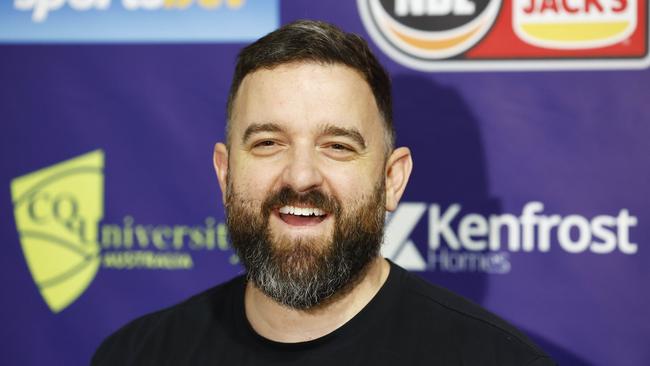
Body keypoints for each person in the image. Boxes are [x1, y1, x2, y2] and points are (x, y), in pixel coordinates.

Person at [92, 20, 555, 366]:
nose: (300, 176)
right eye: (269, 143)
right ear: (225, 172)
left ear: (392, 180)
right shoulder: (137, 356)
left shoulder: (495, 359)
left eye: (337, 146)